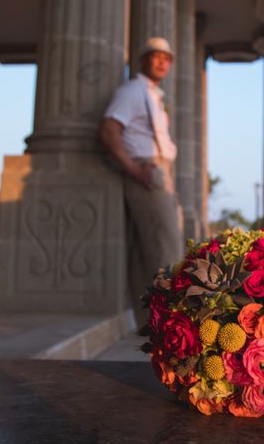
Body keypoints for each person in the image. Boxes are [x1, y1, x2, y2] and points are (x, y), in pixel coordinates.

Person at [99, 37, 183, 328]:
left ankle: (149, 321)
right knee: (168, 247)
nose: (162, 62)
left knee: (146, 250)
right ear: (143, 60)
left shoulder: (153, 96)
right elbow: (109, 130)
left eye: (166, 58)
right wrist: (133, 170)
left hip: (160, 169)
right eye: (155, 56)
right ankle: (173, 323)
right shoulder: (133, 90)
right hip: (146, 171)